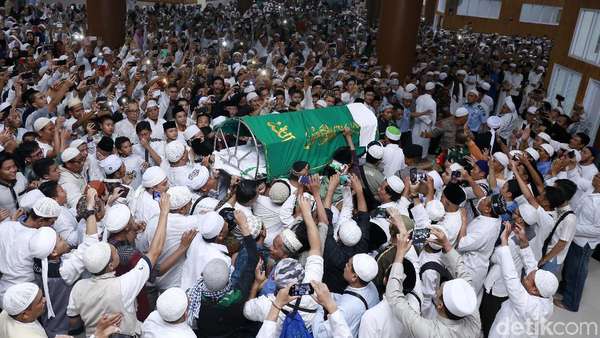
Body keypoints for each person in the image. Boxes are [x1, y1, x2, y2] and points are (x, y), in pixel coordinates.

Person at [66, 193, 170, 337]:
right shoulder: (123, 285)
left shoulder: (78, 288)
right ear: (111, 266)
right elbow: (154, 253)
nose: (113, 249)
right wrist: (164, 213)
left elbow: (74, 324)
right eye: (113, 253)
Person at [387, 226, 481, 337]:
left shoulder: (431, 332)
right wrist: (446, 244)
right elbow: (464, 276)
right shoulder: (473, 322)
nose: (436, 290)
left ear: (440, 305)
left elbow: (394, 298)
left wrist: (399, 254)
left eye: (438, 291)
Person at [489, 222, 558, 338]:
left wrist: (504, 244)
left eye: (528, 279)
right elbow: (532, 268)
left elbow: (510, 277)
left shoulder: (528, 305)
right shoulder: (545, 295)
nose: (525, 276)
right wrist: (524, 242)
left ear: (534, 290)